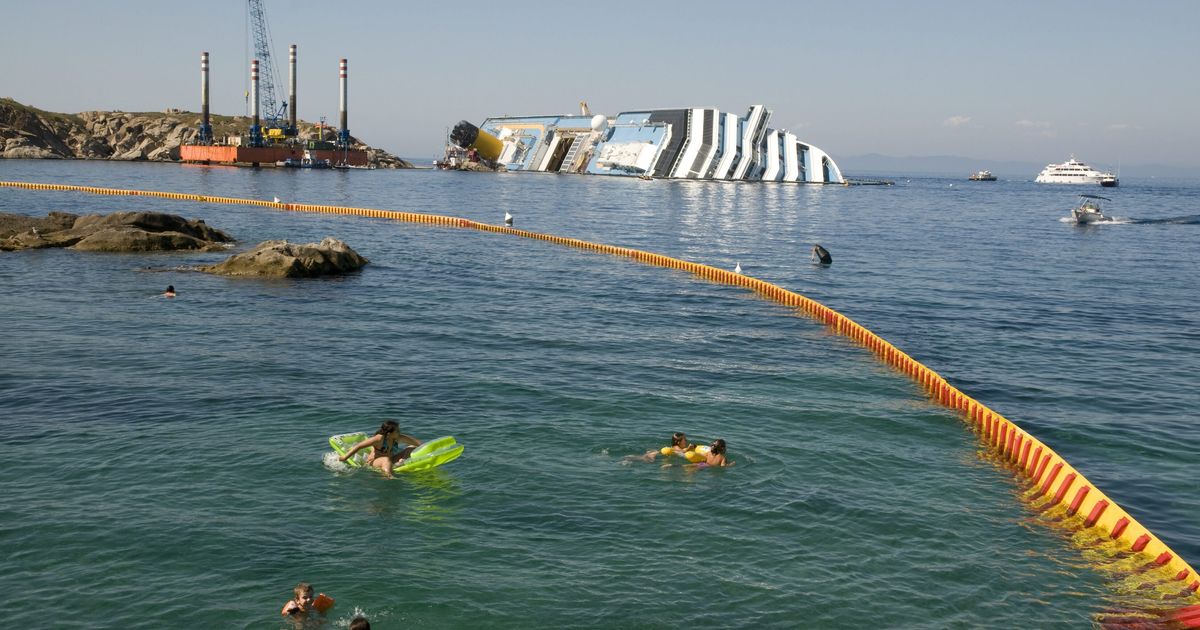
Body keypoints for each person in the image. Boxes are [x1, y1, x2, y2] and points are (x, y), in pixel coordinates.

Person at [339, 420, 422, 478]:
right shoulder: (379, 439)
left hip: (390, 460)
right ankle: (388, 476)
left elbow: (418, 443)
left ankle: (401, 462)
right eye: (397, 431)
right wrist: (344, 457)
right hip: (374, 462)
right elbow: (359, 446)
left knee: (411, 448)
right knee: (386, 459)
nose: (399, 432)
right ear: (389, 434)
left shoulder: (398, 438)